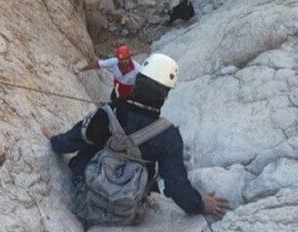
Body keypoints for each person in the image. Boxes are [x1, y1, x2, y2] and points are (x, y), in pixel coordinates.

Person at [42, 53, 229, 223]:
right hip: (128, 205)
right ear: (165, 94)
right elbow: (175, 183)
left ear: (137, 82)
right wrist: (200, 204)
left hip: (88, 191)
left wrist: (54, 140)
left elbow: (74, 140)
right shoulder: (168, 136)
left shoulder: (110, 113)